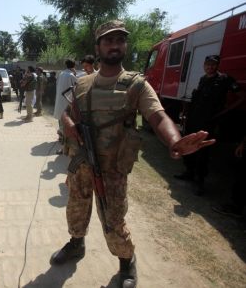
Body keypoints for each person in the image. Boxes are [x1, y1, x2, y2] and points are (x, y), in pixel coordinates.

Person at [49, 20, 215, 288]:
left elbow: (158, 116)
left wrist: (175, 141)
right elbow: (69, 114)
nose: (114, 45)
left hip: (112, 168)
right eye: (108, 40)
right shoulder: (82, 84)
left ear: (124, 45)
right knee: (76, 209)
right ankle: (76, 244)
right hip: (81, 163)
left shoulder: (136, 85)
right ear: (98, 46)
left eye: (119, 40)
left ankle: (127, 263)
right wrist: (67, 124)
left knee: (113, 219)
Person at [175, 55, 241, 195]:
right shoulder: (203, 79)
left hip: (208, 122)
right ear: (204, 65)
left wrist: (225, 111)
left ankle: (200, 182)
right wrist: (186, 117)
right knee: (189, 145)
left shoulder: (224, 79)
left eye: (213, 64)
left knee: (203, 152)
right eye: (208, 64)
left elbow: (241, 95)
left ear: (217, 65)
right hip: (194, 120)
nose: (210, 67)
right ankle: (189, 172)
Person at [54, 60, 77, 153]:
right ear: (74, 65)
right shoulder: (71, 75)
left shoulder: (61, 74)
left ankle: (62, 139)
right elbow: (77, 86)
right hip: (67, 102)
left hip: (60, 101)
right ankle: (64, 146)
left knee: (61, 122)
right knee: (67, 124)